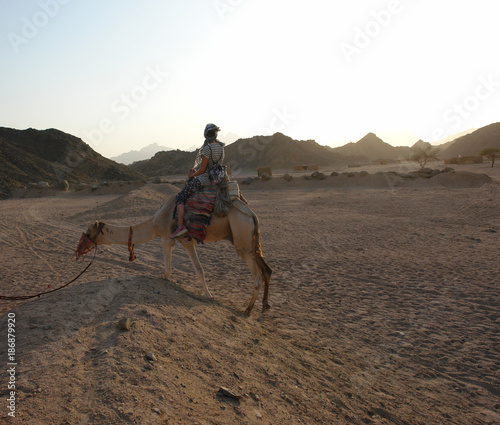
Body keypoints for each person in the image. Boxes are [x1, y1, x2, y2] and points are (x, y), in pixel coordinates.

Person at [170, 123, 225, 238]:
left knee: (180, 196)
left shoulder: (207, 148)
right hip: (217, 179)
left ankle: (180, 227)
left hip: (205, 179)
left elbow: (202, 170)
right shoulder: (221, 148)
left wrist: (192, 174)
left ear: (206, 135)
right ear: (215, 134)